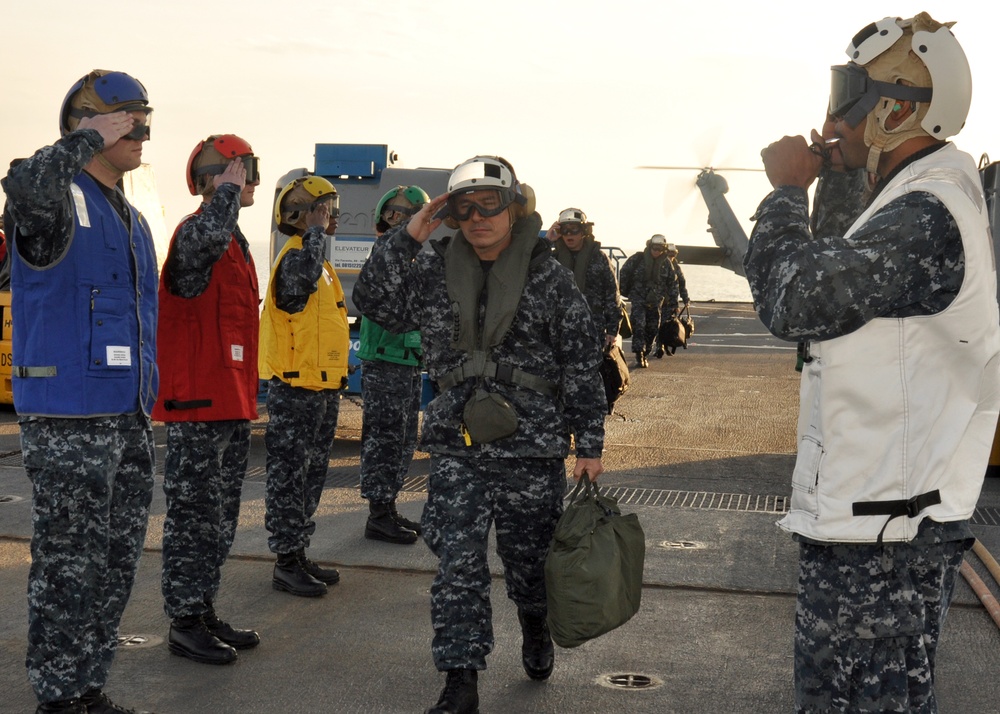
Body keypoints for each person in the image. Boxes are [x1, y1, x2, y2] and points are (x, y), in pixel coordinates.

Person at [743, 14, 1000, 713]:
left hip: (888, 542)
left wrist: (787, 189)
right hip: (870, 527)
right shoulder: (904, 199)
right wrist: (830, 174)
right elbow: (831, 271)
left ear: (894, 108)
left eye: (847, 96)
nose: (832, 118)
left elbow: (795, 298)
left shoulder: (927, 213)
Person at [354, 155, 606, 714]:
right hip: (456, 445)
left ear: (514, 209)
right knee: (458, 566)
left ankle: (535, 627)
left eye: (489, 204)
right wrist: (410, 233)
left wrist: (589, 444)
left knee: (529, 566)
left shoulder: (549, 276)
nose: (477, 217)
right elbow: (372, 301)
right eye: (463, 208)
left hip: (531, 448)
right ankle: (460, 679)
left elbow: (581, 362)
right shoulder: (432, 267)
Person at [1, 69, 158, 714]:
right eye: (127, 117)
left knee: (116, 561)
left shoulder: (134, 218)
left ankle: (88, 686)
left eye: (145, 117)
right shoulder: (54, 196)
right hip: (69, 417)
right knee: (70, 564)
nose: (142, 131)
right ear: (88, 121)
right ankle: (59, 698)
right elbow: (23, 182)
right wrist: (78, 138)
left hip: (126, 413)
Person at [153, 135, 262, 665]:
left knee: (219, 517)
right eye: (243, 171)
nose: (251, 182)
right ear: (218, 177)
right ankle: (185, 621)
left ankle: (203, 608)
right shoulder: (198, 231)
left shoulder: (235, 243)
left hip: (230, 401)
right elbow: (197, 250)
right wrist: (221, 195)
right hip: (197, 405)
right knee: (194, 517)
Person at [259, 175, 350, 598]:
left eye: (329, 209)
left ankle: (298, 551)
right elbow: (294, 296)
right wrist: (313, 235)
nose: (331, 216)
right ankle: (285, 561)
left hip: (322, 387)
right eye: (324, 208)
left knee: (311, 474)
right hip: (296, 388)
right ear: (304, 212)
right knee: (289, 476)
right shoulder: (298, 256)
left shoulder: (321, 263)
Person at [357, 185, 430, 544]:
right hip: (385, 361)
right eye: (396, 215)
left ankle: (388, 506)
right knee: (384, 439)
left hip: (406, 361)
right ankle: (378, 515)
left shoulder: (411, 259)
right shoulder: (386, 254)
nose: (400, 221)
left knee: (402, 440)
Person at [546, 207, 622, 351]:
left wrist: (612, 330)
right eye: (564, 229)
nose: (569, 234)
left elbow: (612, 294)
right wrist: (547, 241)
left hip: (591, 329)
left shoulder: (599, 258)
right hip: (558, 329)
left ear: (584, 231)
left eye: (574, 229)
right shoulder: (551, 259)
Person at [617, 233, 678, 367]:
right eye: (654, 248)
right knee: (639, 325)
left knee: (652, 328)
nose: (656, 251)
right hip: (638, 298)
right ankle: (639, 353)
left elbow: (672, 283)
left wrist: (674, 302)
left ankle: (647, 350)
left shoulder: (666, 264)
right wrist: (621, 292)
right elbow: (624, 274)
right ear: (650, 246)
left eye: (660, 249)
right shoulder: (637, 259)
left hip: (656, 301)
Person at [654, 243, 691, 358]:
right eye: (670, 253)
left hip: (672, 303)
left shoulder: (677, 268)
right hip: (661, 301)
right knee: (659, 324)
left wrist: (685, 299)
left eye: (674, 253)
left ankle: (665, 345)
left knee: (669, 326)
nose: (672, 255)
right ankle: (659, 346)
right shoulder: (660, 266)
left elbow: (682, 285)